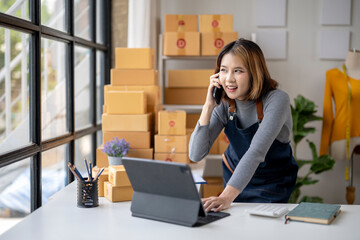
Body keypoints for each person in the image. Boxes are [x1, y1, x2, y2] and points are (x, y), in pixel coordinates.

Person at [189, 38, 298, 212]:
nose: (229, 79)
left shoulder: (277, 100)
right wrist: (208, 106)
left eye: (238, 71)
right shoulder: (224, 103)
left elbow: (256, 151)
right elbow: (196, 154)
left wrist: (225, 197)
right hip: (234, 177)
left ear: (255, 73)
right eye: (224, 70)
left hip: (271, 184)